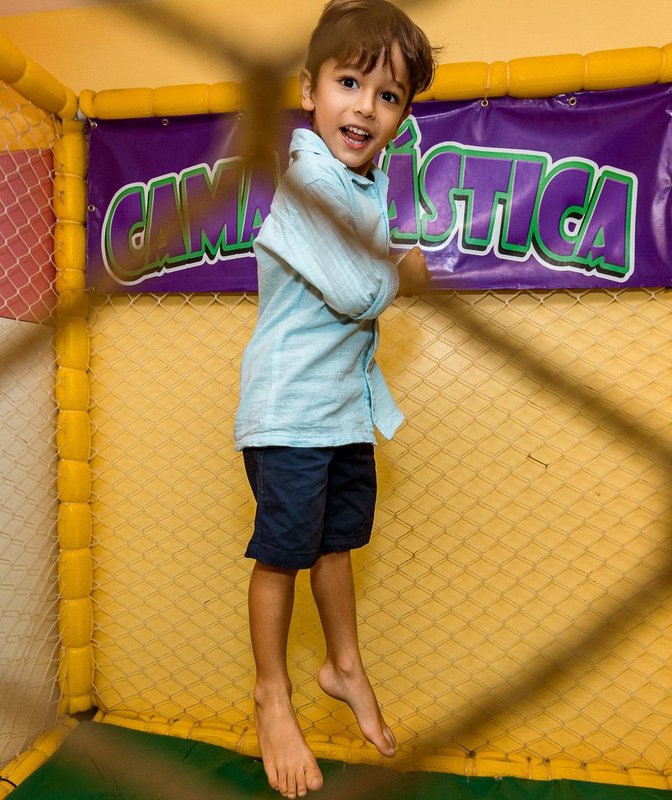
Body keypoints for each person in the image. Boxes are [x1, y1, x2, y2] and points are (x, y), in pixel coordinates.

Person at [233, 1, 438, 796]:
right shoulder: (312, 177)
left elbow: (360, 273)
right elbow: (359, 292)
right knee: (282, 553)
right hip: (288, 412)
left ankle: (343, 665)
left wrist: (392, 261)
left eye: (388, 96)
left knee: (335, 542)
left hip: (341, 411)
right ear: (310, 89)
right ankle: (272, 694)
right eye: (349, 82)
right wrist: (407, 273)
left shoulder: (362, 188)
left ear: (402, 115)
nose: (366, 107)